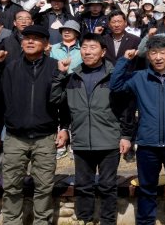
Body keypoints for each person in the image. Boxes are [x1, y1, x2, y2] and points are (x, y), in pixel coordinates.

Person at [0, 25, 69, 224]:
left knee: (44, 187)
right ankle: (12, 221)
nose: (30, 41)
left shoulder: (56, 67)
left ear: (46, 44)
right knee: (12, 187)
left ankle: (42, 221)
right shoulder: (10, 67)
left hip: (45, 136)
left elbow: (64, 102)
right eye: (26, 38)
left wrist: (64, 128)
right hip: (15, 136)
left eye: (36, 38)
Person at [109, 37, 165, 225]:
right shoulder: (139, 77)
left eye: (162, 52)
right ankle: (145, 221)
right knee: (147, 188)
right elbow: (116, 86)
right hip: (148, 143)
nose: (158, 57)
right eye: (153, 53)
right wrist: (125, 60)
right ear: (148, 55)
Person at [53, 33, 135, 225]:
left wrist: (126, 135)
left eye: (92, 47)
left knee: (107, 186)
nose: (87, 52)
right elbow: (62, 105)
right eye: (84, 47)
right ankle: (85, 220)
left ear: (103, 51)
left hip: (109, 141)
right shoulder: (73, 77)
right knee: (83, 185)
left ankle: (108, 221)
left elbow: (127, 109)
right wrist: (64, 128)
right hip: (82, 140)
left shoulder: (114, 77)